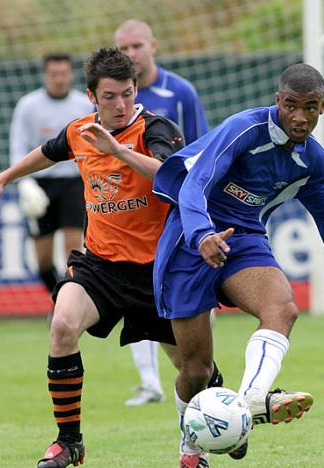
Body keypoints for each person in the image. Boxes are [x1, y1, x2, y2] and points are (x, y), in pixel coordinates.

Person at [152, 63, 324, 468]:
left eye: (309, 108)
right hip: (189, 239)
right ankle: (191, 446)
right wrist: (202, 236)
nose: (300, 117)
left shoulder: (314, 164)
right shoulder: (243, 129)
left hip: (244, 239)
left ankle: (249, 402)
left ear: (323, 106)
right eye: (291, 106)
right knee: (196, 369)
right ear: (277, 101)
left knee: (283, 308)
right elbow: (194, 184)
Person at [0, 47, 222, 468]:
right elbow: (49, 150)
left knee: (194, 369)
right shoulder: (81, 130)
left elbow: (174, 175)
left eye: (128, 94)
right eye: (111, 97)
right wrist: (5, 177)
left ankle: (213, 421)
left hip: (160, 270)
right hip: (100, 266)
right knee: (61, 327)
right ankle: (68, 441)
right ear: (92, 96)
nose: (121, 105)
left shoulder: (155, 128)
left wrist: (119, 152)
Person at [115, 19, 210, 406]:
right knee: (134, 299)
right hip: (127, 215)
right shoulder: (111, 97)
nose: (130, 54)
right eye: (123, 48)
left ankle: (207, 381)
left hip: (173, 214)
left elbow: (203, 147)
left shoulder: (180, 92)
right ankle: (149, 382)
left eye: (136, 46)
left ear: (153, 45)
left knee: (185, 308)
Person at [10, 53, 94, 297]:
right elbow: (18, 145)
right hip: (39, 183)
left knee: (72, 251)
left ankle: (68, 303)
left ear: (71, 75)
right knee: (43, 258)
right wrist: (24, 181)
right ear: (45, 75)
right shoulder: (28, 105)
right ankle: (57, 299)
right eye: (54, 74)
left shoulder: (83, 105)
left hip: (74, 182)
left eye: (64, 73)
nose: (59, 79)